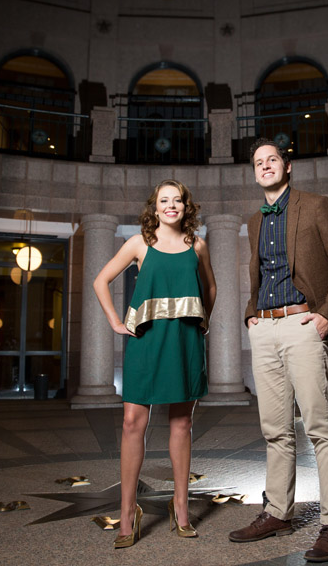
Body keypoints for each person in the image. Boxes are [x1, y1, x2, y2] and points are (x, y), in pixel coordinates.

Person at [228, 138, 328, 562]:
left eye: (272, 160)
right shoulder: (255, 220)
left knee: (320, 428)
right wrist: (251, 315)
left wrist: (326, 314)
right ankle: (277, 513)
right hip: (265, 329)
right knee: (275, 430)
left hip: (305, 324)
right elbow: (261, 275)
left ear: (288, 167)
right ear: (254, 173)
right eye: (258, 162)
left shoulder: (317, 205)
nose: (265, 166)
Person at [93, 179, 217, 549]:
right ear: (155, 207)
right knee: (133, 423)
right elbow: (101, 280)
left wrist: (202, 322)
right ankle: (128, 512)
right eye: (164, 200)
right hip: (146, 343)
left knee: (181, 423)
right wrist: (117, 322)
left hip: (184, 343)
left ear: (185, 207)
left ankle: (180, 507)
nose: (171, 206)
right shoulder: (138, 243)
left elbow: (210, 288)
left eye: (177, 200)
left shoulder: (197, 245)